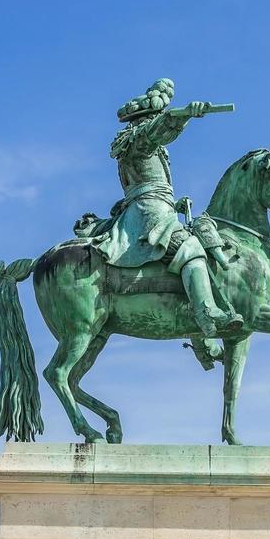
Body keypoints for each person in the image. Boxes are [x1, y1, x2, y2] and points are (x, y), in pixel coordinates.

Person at [81, 78, 243, 342]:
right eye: (156, 116)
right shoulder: (140, 139)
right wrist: (185, 115)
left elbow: (148, 184)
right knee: (190, 249)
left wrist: (175, 204)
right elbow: (159, 130)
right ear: (146, 119)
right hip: (149, 213)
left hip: (154, 207)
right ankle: (207, 313)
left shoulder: (133, 144)